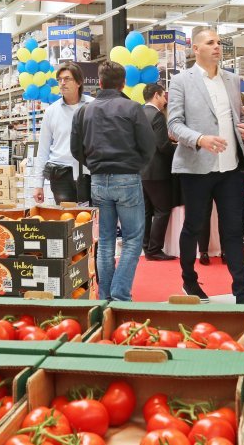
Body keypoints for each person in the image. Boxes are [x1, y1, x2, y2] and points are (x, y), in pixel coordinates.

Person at [168, 28, 244, 304]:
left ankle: (241, 290)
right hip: (196, 167)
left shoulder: (232, 79)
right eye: (210, 43)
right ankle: (189, 281)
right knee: (193, 226)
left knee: (233, 230)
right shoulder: (181, 81)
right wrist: (200, 139)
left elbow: (239, 116)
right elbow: (173, 125)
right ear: (196, 49)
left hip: (231, 167)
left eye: (218, 42)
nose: (217, 47)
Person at [71, 61, 155, 301]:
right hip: (127, 177)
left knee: (105, 240)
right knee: (132, 240)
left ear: (99, 82)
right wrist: (135, 166)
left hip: (98, 180)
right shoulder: (132, 108)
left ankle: (106, 295)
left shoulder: (84, 111)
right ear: (123, 83)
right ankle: (120, 293)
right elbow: (149, 145)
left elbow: (76, 149)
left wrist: (94, 165)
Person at [34, 62, 93, 204]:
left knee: (90, 219)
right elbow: (43, 149)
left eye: (67, 79)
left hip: (88, 173)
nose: (62, 83)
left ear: (79, 82)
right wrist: (38, 184)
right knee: (66, 219)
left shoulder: (93, 106)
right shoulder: (51, 111)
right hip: (60, 176)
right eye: (59, 80)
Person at [140, 83, 177, 262]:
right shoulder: (157, 116)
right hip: (158, 171)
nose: (165, 100)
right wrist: (177, 151)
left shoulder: (139, 113)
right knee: (163, 210)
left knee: (147, 211)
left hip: (142, 170)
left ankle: (146, 246)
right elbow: (162, 146)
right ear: (156, 95)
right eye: (163, 96)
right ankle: (155, 249)